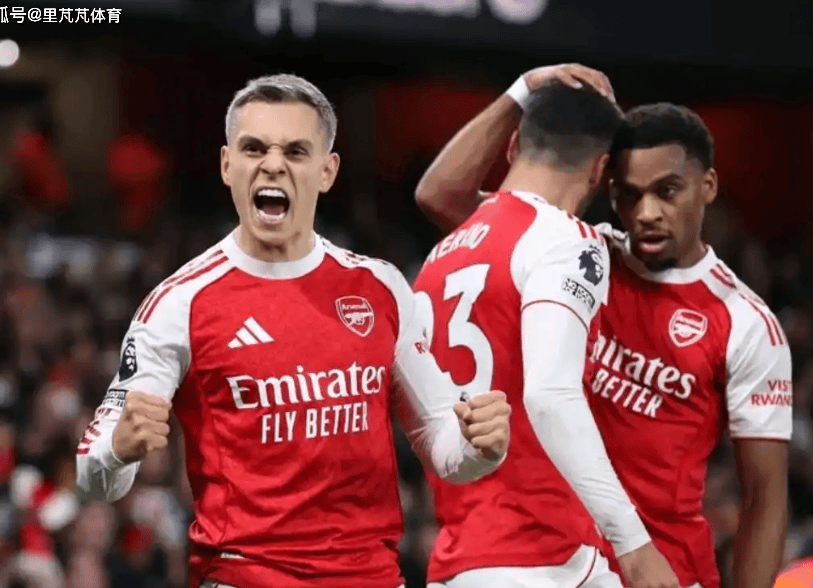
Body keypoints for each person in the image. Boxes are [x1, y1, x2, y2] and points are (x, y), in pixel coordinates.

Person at [76, 73, 512, 588]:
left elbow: (442, 445)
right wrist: (119, 449)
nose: (273, 164)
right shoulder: (178, 304)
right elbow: (93, 476)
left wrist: (480, 445)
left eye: (296, 151)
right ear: (227, 164)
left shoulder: (381, 288)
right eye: (254, 148)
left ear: (327, 171)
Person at [414, 64, 792, 588]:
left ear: (707, 187)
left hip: (663, 568)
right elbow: (445, 198)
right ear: (602, 182)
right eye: (628, 194)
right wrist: (523, 90)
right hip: (570, 555)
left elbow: (765, 499)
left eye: (667, 191)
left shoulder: (746, 323)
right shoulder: (579, 252)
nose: (647, 212)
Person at [411, 68, 678, 588]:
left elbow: (435, 193)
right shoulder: (564, 239)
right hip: (545, 556)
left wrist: (520, 89)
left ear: (512, 144)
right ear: (600, 171)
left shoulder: (443, 254)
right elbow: (550, 396)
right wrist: (636, 548)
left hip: (458, 560)